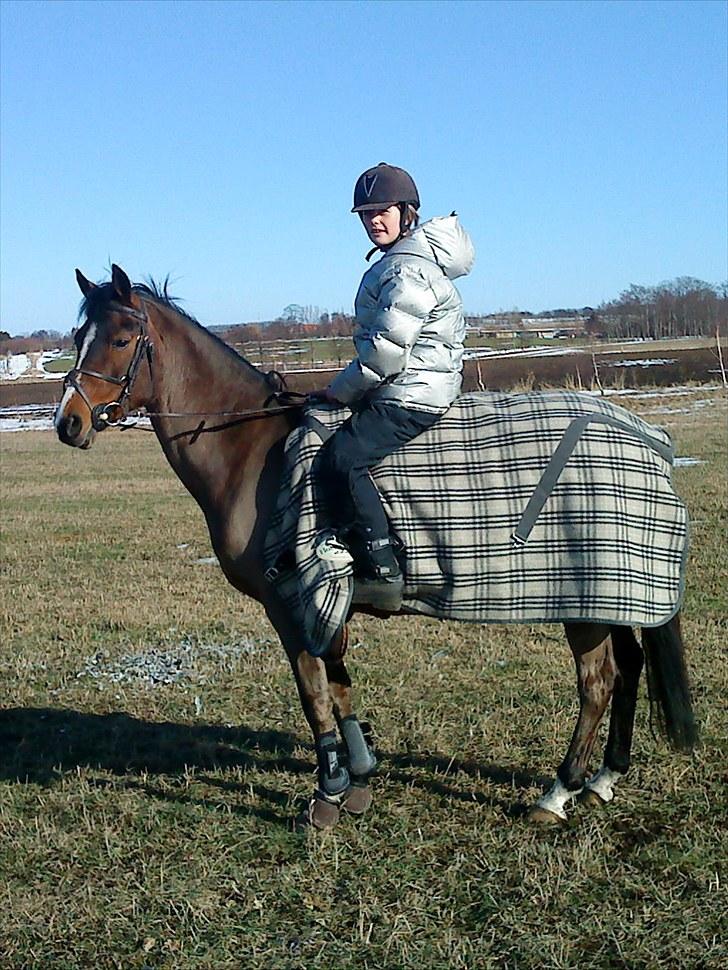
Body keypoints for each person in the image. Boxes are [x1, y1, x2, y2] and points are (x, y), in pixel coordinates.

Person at [314, 162, 475, 610]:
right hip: (409, 387)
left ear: (407, 212)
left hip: (411, 395)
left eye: (382, 211)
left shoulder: (407, 270)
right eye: (365, 214)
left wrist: (339, 391)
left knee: (342, 459)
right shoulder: (403, 261)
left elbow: (386, 353)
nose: (373, 221)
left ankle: (382, 570)